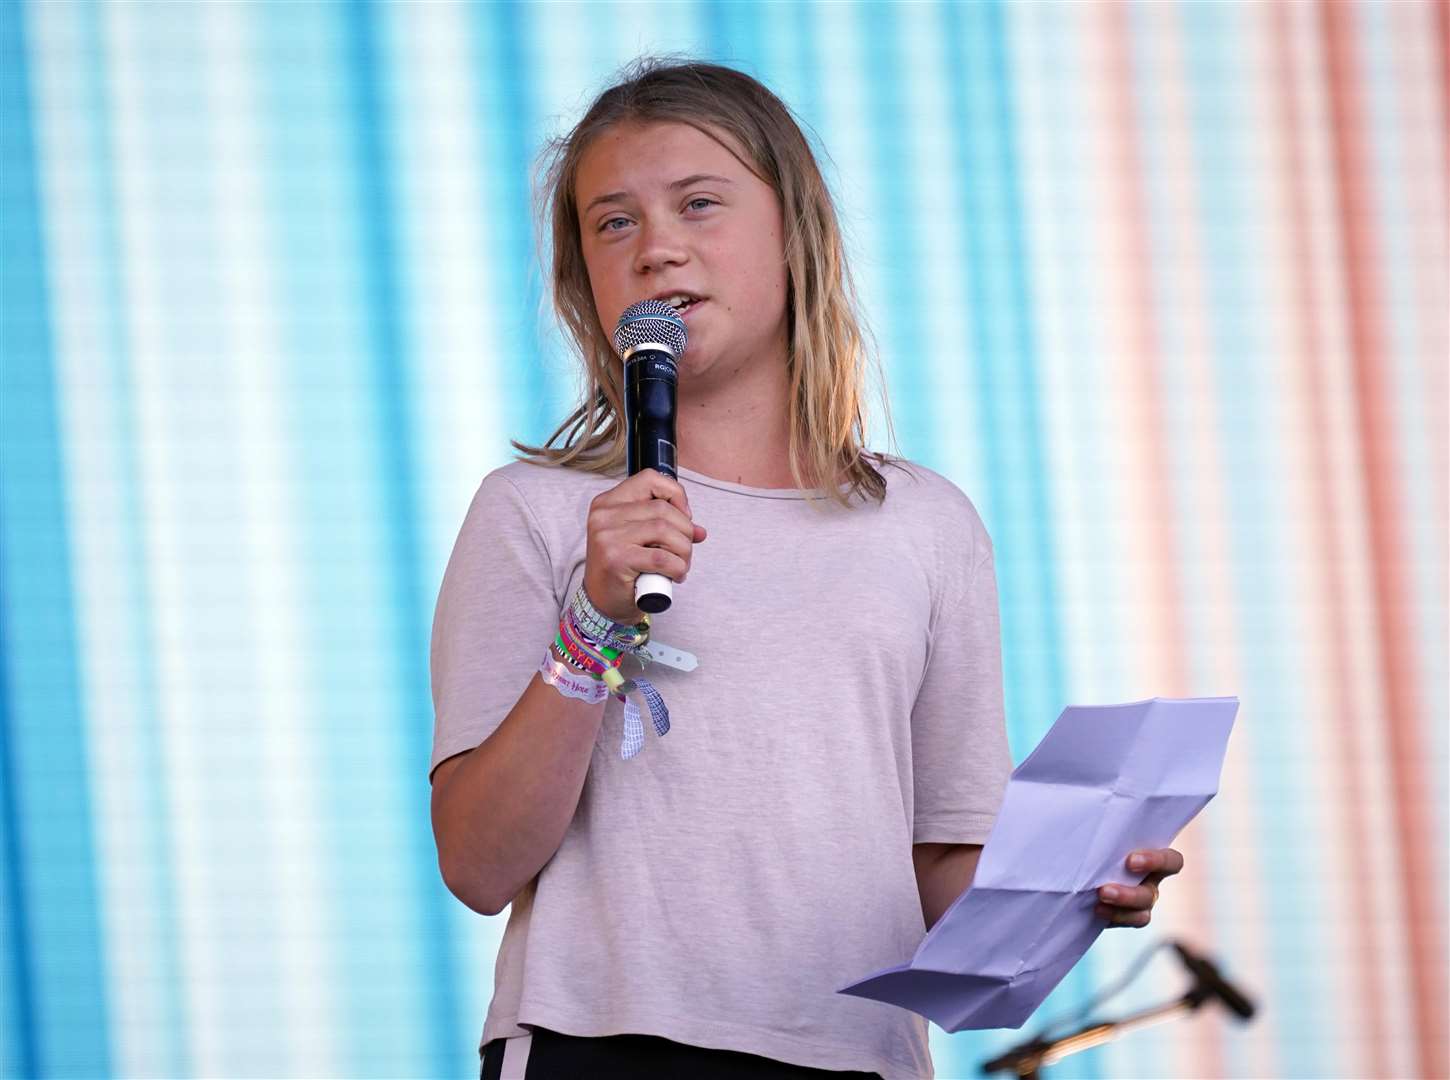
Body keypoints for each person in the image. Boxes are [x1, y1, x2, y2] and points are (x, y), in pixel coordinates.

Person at [428, 58, 1183, 1080]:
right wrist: (591, 624)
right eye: (613, 223)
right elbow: (478, 864)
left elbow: (939, 865)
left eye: (699, 204)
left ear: (796, 232)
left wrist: (1069, 895)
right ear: (584, 279)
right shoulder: (540, 513)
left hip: (858, 1057)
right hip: (600, 1046)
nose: (656, 247)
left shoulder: (924, 525)